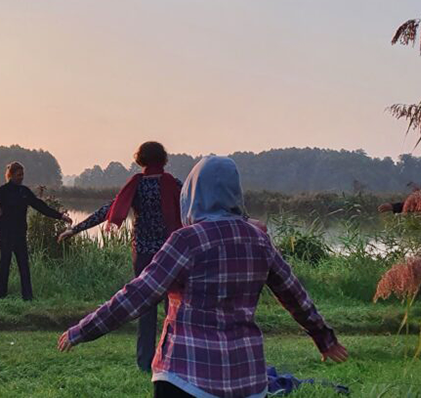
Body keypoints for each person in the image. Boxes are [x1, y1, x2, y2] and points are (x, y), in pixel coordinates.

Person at [57, 156, 348, 398]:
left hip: (185, 376)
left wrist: (83, 330)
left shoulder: (186, 240)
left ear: (193, 193)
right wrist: (324, 338)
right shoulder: (259, 241)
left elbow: (139, 294)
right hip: (247, 380)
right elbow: (294, 294)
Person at [57, 141, 183, 371]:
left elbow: (108, 210)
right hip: (171, 253)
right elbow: (197, 206)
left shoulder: (136, 185)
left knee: (144, 307)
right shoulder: (174, 184)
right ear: (163, 159)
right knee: (173, 307)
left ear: (140, 159)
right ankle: (172, 359)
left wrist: (75, 229)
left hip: (144, 254)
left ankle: (145, 363)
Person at [0, 161, 72, 300]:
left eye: (22, 175)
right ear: (10, 175)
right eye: (19, 175)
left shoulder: (25, 192)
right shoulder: (3, 191)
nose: (21, 177)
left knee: (24, 265)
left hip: (20, 234)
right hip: (5, 234)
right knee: (4, 264)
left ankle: (28, 297)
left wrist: (60, 216)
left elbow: (41, 206)